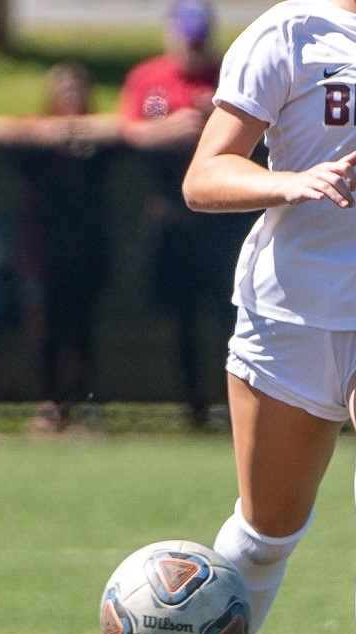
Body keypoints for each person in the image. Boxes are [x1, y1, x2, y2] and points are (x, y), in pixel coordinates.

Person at [177, 0, 356, 634]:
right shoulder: (292, 32)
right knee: (265, 535)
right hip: (292, 307)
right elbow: (204, 176)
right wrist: (291, 182)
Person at [121, 0, 252, 428]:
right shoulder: (149, 77)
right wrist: (171, 129)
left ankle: (234, 403)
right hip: (170, 212)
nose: (193, 49)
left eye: (200, 40)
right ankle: (191, 405)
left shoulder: (229, 73)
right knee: (177, 313)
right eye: (187, 39)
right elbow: (128, 129)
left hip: (221, 217)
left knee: (229, 311)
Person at [0, 62, 121, 433]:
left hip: (86, 249)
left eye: (77, 90)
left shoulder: (96, 143)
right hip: (42, 251)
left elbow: (126, 127)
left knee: (81, 330)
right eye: (64, 90)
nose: (71, 96)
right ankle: (49, 406)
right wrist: (53, 131)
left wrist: (77, 129)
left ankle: (81, 406)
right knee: (44, 330)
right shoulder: (35, 139)